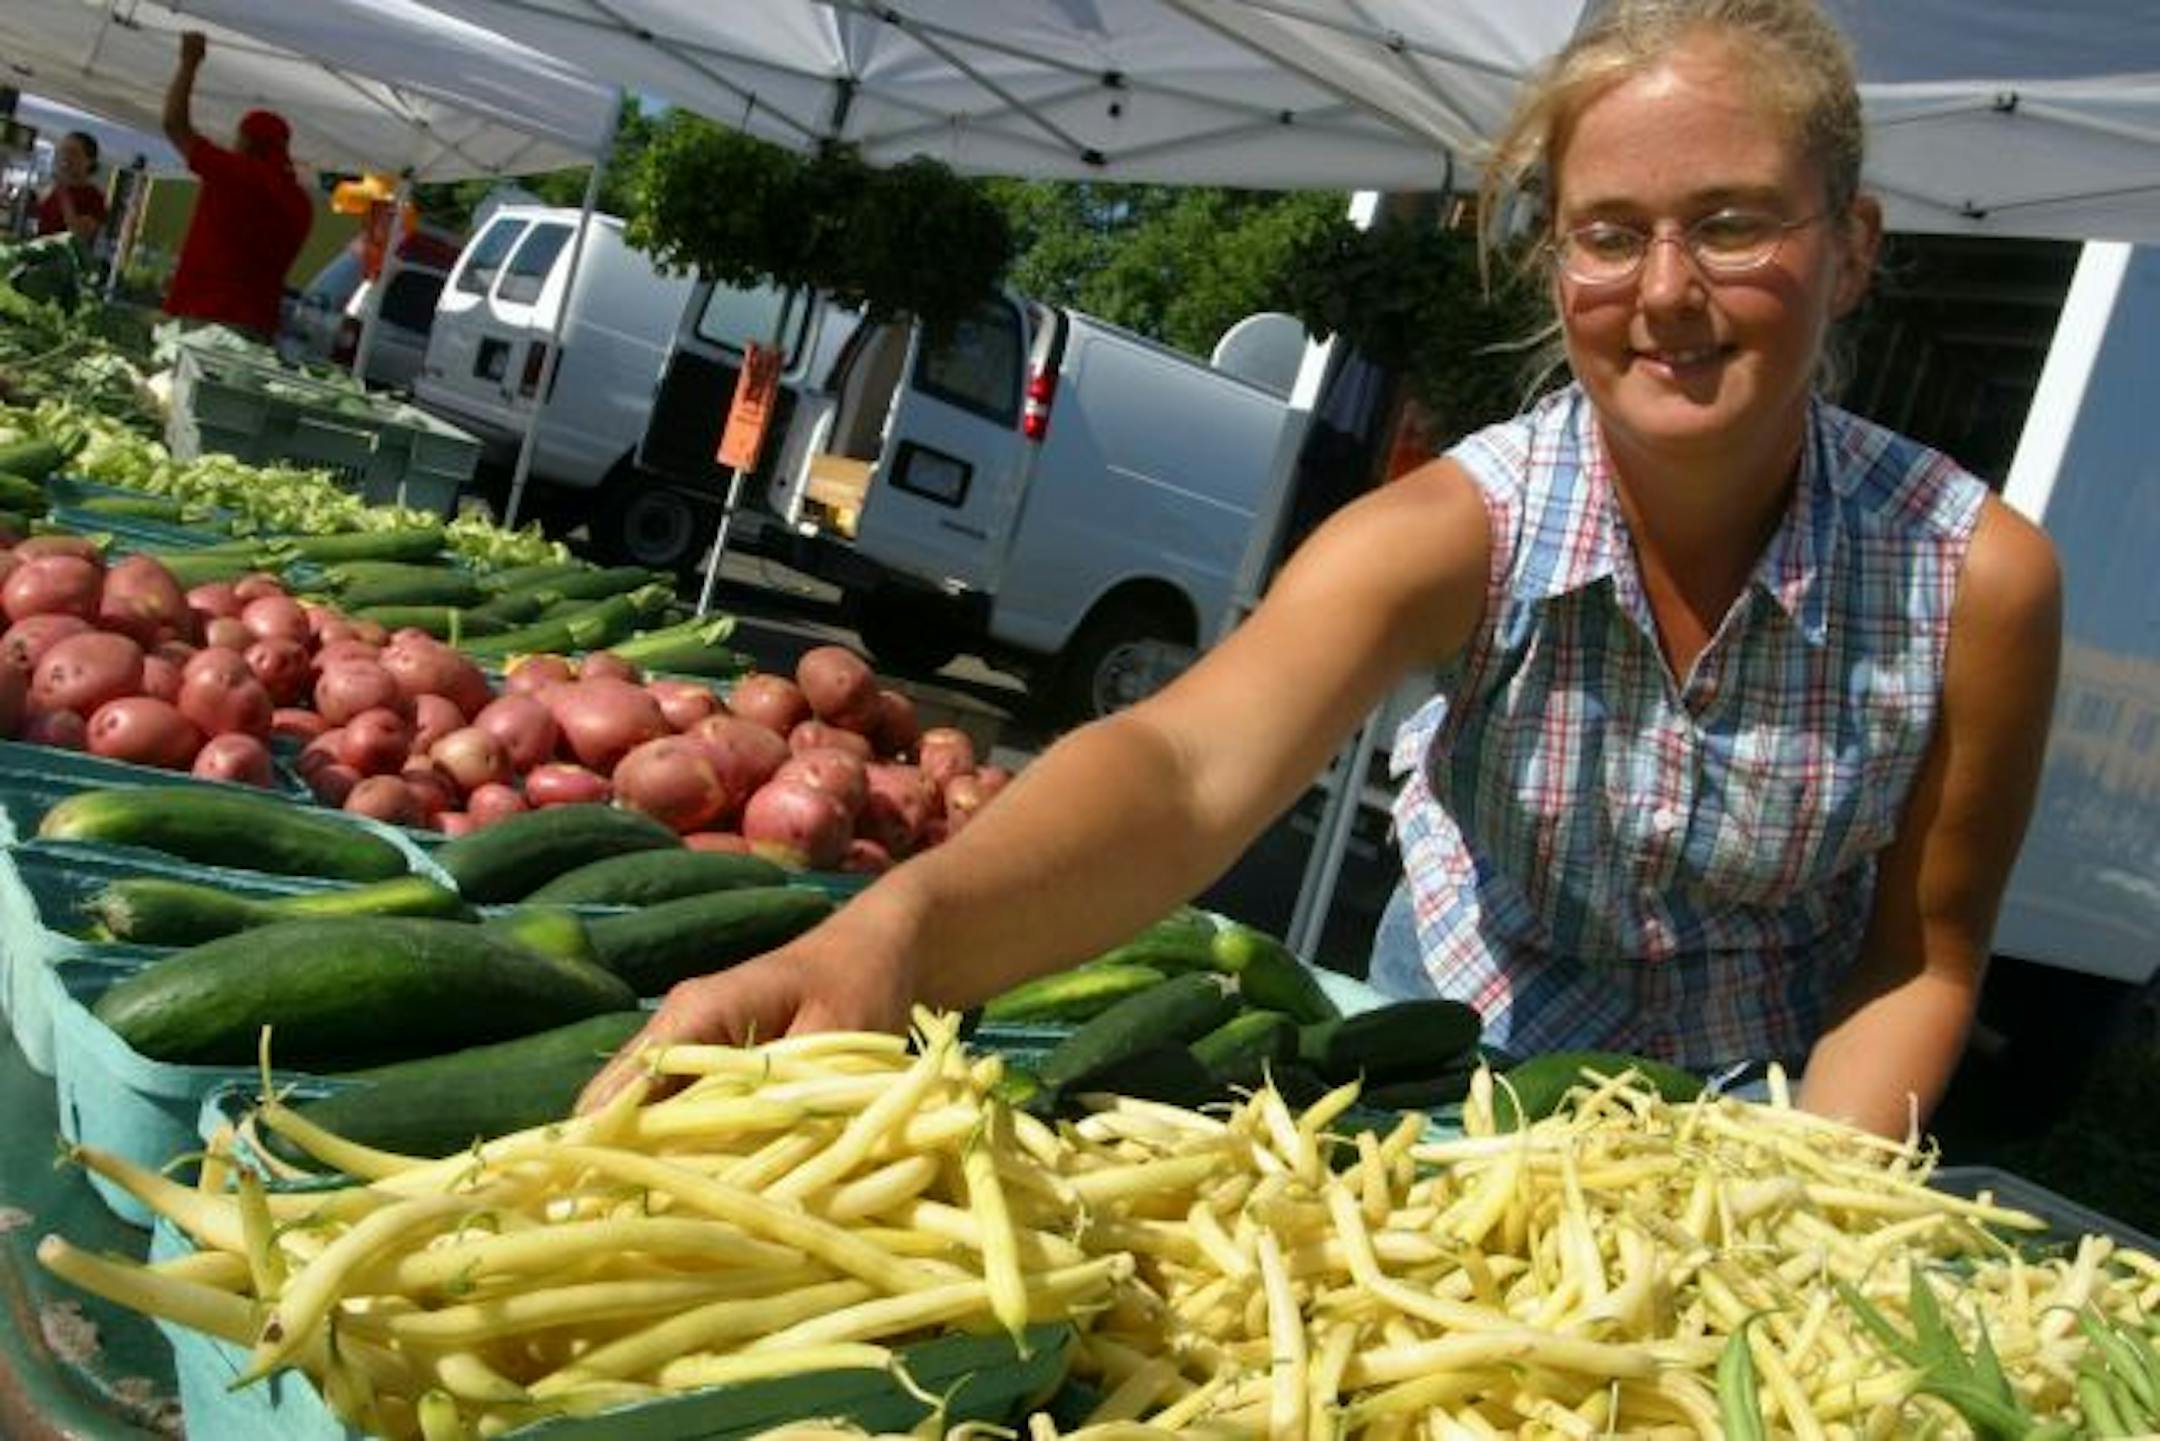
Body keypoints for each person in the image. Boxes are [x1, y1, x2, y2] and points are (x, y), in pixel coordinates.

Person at [582, 0, 2062, 1140]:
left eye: (1732, 225)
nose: (1666, 292)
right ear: (1561, 269)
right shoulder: (1458, 529)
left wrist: (1790, 1194)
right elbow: (1178, 770)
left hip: (1759, 1122)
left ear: (1852, 248)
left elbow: (1919, 963)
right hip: (1446, 1089)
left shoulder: (1974, 581)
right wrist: (896, 932)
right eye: (1611, 235)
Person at [160, 31, 314, 338]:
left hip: (203, 312)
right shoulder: (301, 204)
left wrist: (189, 62)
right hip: (257, 323)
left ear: (245, 141)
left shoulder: (235, 172)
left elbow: (174, 124)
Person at [34, 131, 107, 249]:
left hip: (64, 263)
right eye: (63, 151)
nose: (66, 157)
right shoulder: (52, 190)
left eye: (73, 153)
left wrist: (63, 192)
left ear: (89, 161)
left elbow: (78, 234)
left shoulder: (94, 197)